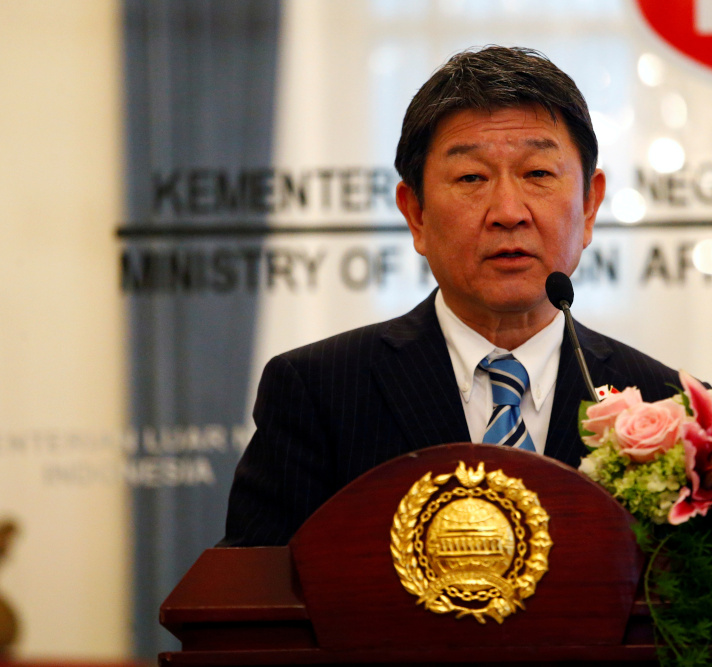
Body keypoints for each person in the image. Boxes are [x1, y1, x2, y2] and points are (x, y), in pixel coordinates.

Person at [221, 46, 682, 547]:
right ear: (415, 213)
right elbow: (254, 586)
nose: (508, 212)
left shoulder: (670, 408)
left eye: (537, 174)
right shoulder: (319, 395)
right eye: (471, 178)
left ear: (589, 206)